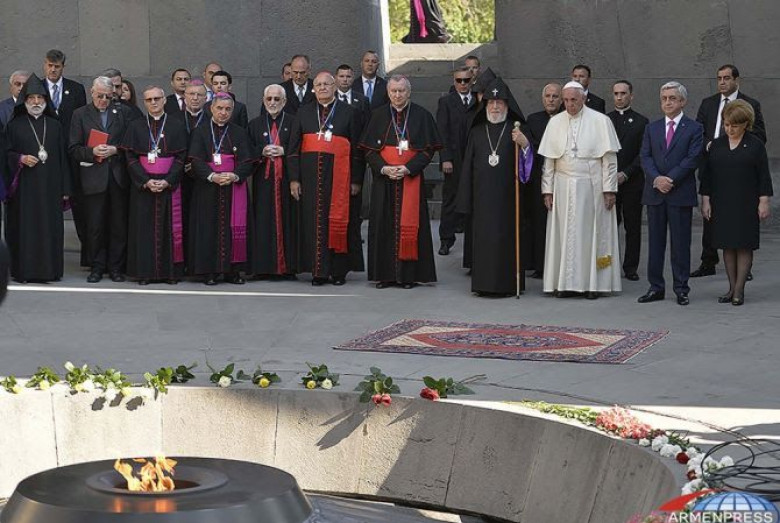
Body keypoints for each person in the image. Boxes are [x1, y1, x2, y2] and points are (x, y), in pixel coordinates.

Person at [539, 81, 622, 299]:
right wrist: (547, 190)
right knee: (563, 236)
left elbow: (609, 160)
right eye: (566, 100)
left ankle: (591, 285)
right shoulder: (555, 122)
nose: (569, 105)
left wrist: (609, 189)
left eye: (573, 100)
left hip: (591, 187)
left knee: (590, 236)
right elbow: (549, 161)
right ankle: (563, 283)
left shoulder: (601, 121)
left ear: (583, 98)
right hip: (562, 187)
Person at [360, 75, 442, 289]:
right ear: (388, 93)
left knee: (413, 226)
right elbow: (368, 150)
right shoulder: (377, 115)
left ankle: (409, 276)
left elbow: (428, 150)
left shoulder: (422, 115)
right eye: (394, 91)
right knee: (382, 226)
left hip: (410, 178)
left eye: (401, 91)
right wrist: (383, 168)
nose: (397, 95)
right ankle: (384, 275)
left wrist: (408, 168)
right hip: (384, 180)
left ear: (409, 92)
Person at [288, 72, 364, 286]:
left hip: (339, 179)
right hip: (310, 180)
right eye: (318, 85)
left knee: (338, 221)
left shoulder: (349, 112)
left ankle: (339, 271)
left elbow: (357, 150)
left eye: (326, 84)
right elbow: (293, 149)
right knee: (313, 224)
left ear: (334, 86)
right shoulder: (303, 112)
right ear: (314, 89)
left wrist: (356, 180)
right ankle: (318, 271)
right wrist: (294, 179)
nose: (322, 88)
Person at [457, 78, 531, 297]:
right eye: (491, 102)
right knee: (484, 241)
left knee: (505, 239)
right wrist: (465, 199)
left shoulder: (517, 130)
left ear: (507, 105)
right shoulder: (477, 131)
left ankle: (507, 285)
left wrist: (525, 145)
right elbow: (468, 166)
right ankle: (483, 284)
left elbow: (528, 165)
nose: (495, 107)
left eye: (500, 102)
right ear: (485, 105)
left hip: (508, 198)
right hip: (482, 198)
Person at [692, 64, 767, 278]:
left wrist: (738, 145)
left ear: (736, 80)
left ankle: (742, 269)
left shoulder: (751, 104)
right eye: (719, 78)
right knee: (711, 217)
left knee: (740, 221)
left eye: (726, 78)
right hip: (713, 166)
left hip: (740, 170)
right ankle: (708, 261)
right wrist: (711, 145)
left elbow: (760, 135)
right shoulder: (708, 103)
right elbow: (698, 132)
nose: (722, 82)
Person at [699, 100, 772, 306]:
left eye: (735, 126)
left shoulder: (755, 145)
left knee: (744, 244)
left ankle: (739, 290)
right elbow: (707, 175)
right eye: (727, 124)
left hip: (746, 201)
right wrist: (705, 200)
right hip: (722, 201)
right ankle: (731, 288)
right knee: (727, 245)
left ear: (746, 124)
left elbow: (763, 176)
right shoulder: (717, 145)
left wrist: (764, 201)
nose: (730, 129)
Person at [638, 81, 703, 306]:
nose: (667, 102)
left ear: (682, 101)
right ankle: (655, 287)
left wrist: (670, 179)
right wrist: (657, 179)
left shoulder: (694, 128)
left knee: (680, 244)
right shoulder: (652, 128)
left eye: (672, 98)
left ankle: (681, 288)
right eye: (664, 98)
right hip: (655, 193)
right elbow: (645, 156)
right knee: (655, 244)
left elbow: (692, 159)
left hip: (680, 193)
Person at [3, 75, 71, 283]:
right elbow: (5, 154)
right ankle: (24, 271)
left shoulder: (55, 126)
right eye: (31, 98)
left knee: (50, 229)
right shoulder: (14, 126)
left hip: (50, 187)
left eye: (39, 98)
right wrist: (20, 158)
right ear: (25, 101)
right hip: (24, 190)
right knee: (26, 229)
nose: (35, 102)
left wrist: (66, 188)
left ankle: (50, 271)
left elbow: (64, 159)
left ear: (45, 100)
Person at [121, 85, 188, 285]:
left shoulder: (176, 125)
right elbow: (130, 157)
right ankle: (145, 273)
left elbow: (181, 157)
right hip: (144, 187)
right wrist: (145, 181)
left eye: (157, 98)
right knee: (144, 230)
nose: (153, 102)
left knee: (170, 229)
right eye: (149, 100)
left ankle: (170, 273)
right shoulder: (136, 125)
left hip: (169, 186)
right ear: (144, 102)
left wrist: (168, 180)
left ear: (164, 100)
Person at [70, 76, 132, 283]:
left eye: (108, 96)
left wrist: (115, 150)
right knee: (95, 226)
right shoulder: (80, 114)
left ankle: (116, 267)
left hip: (117, 177)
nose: (104, 100)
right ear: (91, 92)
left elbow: (131, 144)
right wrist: (92, 151)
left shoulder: (123, 113)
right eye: (100, 96)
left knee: (118, 225)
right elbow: (73, 148)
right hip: (93, 178)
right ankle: (96, 267)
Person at [188, 92, 254, 285]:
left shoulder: (239, 132)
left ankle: (233, 271)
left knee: (233, 229)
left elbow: (248, 161)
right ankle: (209, 272)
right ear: (211, 108)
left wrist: (234, 175)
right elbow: (195, 160)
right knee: (208, 229)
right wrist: (212, 176)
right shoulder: (200, 131)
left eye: (228, 109)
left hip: (233, 188)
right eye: (220, 108)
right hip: (207, 188)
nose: (223, 112)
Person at [247, 84, 296, 279]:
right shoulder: (255, 124)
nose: (273, 102)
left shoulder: (293, 122)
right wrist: (261, 150)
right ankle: (262, 268)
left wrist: (284, 150)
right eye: (269, 99)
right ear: (263, 100)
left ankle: (288, 268)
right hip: (263, 182)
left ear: (284, 101)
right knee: (263, 221)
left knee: (288, 221)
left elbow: (300, 147)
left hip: (287, 180)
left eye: (277, 99)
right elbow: (247, 150)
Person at [607, 80, 648, 281]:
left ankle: (630, 267)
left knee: (632, 227)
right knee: (609, 226)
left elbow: (643, 153)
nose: (619, 97)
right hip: (609, 182)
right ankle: (608, 265)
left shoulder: (641, 121)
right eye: (616, 93)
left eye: (623, 93)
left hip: (632, 182)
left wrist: (626, 173)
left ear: (631, 96)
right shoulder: (605, 120)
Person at [521, 82, 562, 279]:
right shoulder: (533, 119)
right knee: (538, 222)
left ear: (561, 100)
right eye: (548, 96)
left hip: (563, 177)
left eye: (555, 96)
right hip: (538, 177)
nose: (551, 100)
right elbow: (530, 146)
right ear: (542, 98)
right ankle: (539, 264)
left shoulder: (567, 119)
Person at [436, 66, 477, 256]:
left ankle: (474, 241)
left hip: (474, 158)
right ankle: (446, 240)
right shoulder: (446, 102)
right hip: (454, 159)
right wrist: (445, 158)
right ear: (454, 82)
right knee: (450, 200)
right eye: (459, 80)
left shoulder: (478, 101)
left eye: (466, 80)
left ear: (472, 81)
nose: (462, 84)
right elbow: (442, 131)